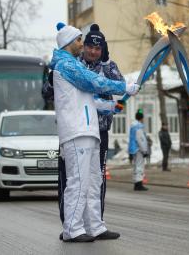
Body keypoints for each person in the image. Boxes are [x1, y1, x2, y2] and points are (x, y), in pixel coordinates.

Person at [51, 22, 139, 242]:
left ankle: (95, 226)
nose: (83, 44)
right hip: (76, 131)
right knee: (78, 182)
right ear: (69, 43)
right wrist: (124, 87)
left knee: (93, 182)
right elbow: (93, 81)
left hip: (89, 131)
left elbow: (85, 98)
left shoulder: (71, 65)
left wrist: (109, 106)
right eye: (79, 40)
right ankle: (73, 229)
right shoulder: (66, 65)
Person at [129, 109, 149, 191]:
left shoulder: (133, 126)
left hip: (133, 148)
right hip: (138, 149)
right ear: (141, 118)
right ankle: (138, 184)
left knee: (136, 166)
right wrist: (144, 150)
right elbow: (141, 140)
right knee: (139, 166)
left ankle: (136, 183)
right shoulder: (139, 127)